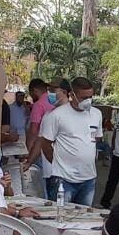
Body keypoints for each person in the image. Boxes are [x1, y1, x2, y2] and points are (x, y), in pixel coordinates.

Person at [35, 76, 102, 207]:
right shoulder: (56, 115)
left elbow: (96, 138)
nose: (88, 101)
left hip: (88, 179)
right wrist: (58, 163)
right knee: (60, 215)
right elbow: (45, 144)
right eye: (84, 98)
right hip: (63, 179)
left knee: (84, 217)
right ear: (72, 95)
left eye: (90, 97)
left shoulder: (96, 114)